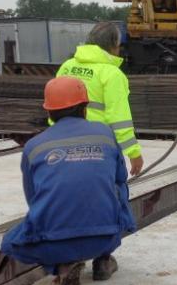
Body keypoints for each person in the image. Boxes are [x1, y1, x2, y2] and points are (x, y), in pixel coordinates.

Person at [2, 77, 135, 285]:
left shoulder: (34, 146)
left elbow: (33, 198)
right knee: (119, 187)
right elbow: (121, 176)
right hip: (106, 236)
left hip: (54, 242)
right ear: (84, 108)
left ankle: (61, 266)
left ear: (49, 112)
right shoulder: (105, 134)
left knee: (9, 242)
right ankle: (103, 259)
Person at [56, 22, 144, 176]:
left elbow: (56, 106)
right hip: (99, 146)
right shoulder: (112, 74)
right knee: (110, 186)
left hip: (64, 141)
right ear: (113, 46)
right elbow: (119, 120)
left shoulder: (67, 66)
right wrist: (133, 153)